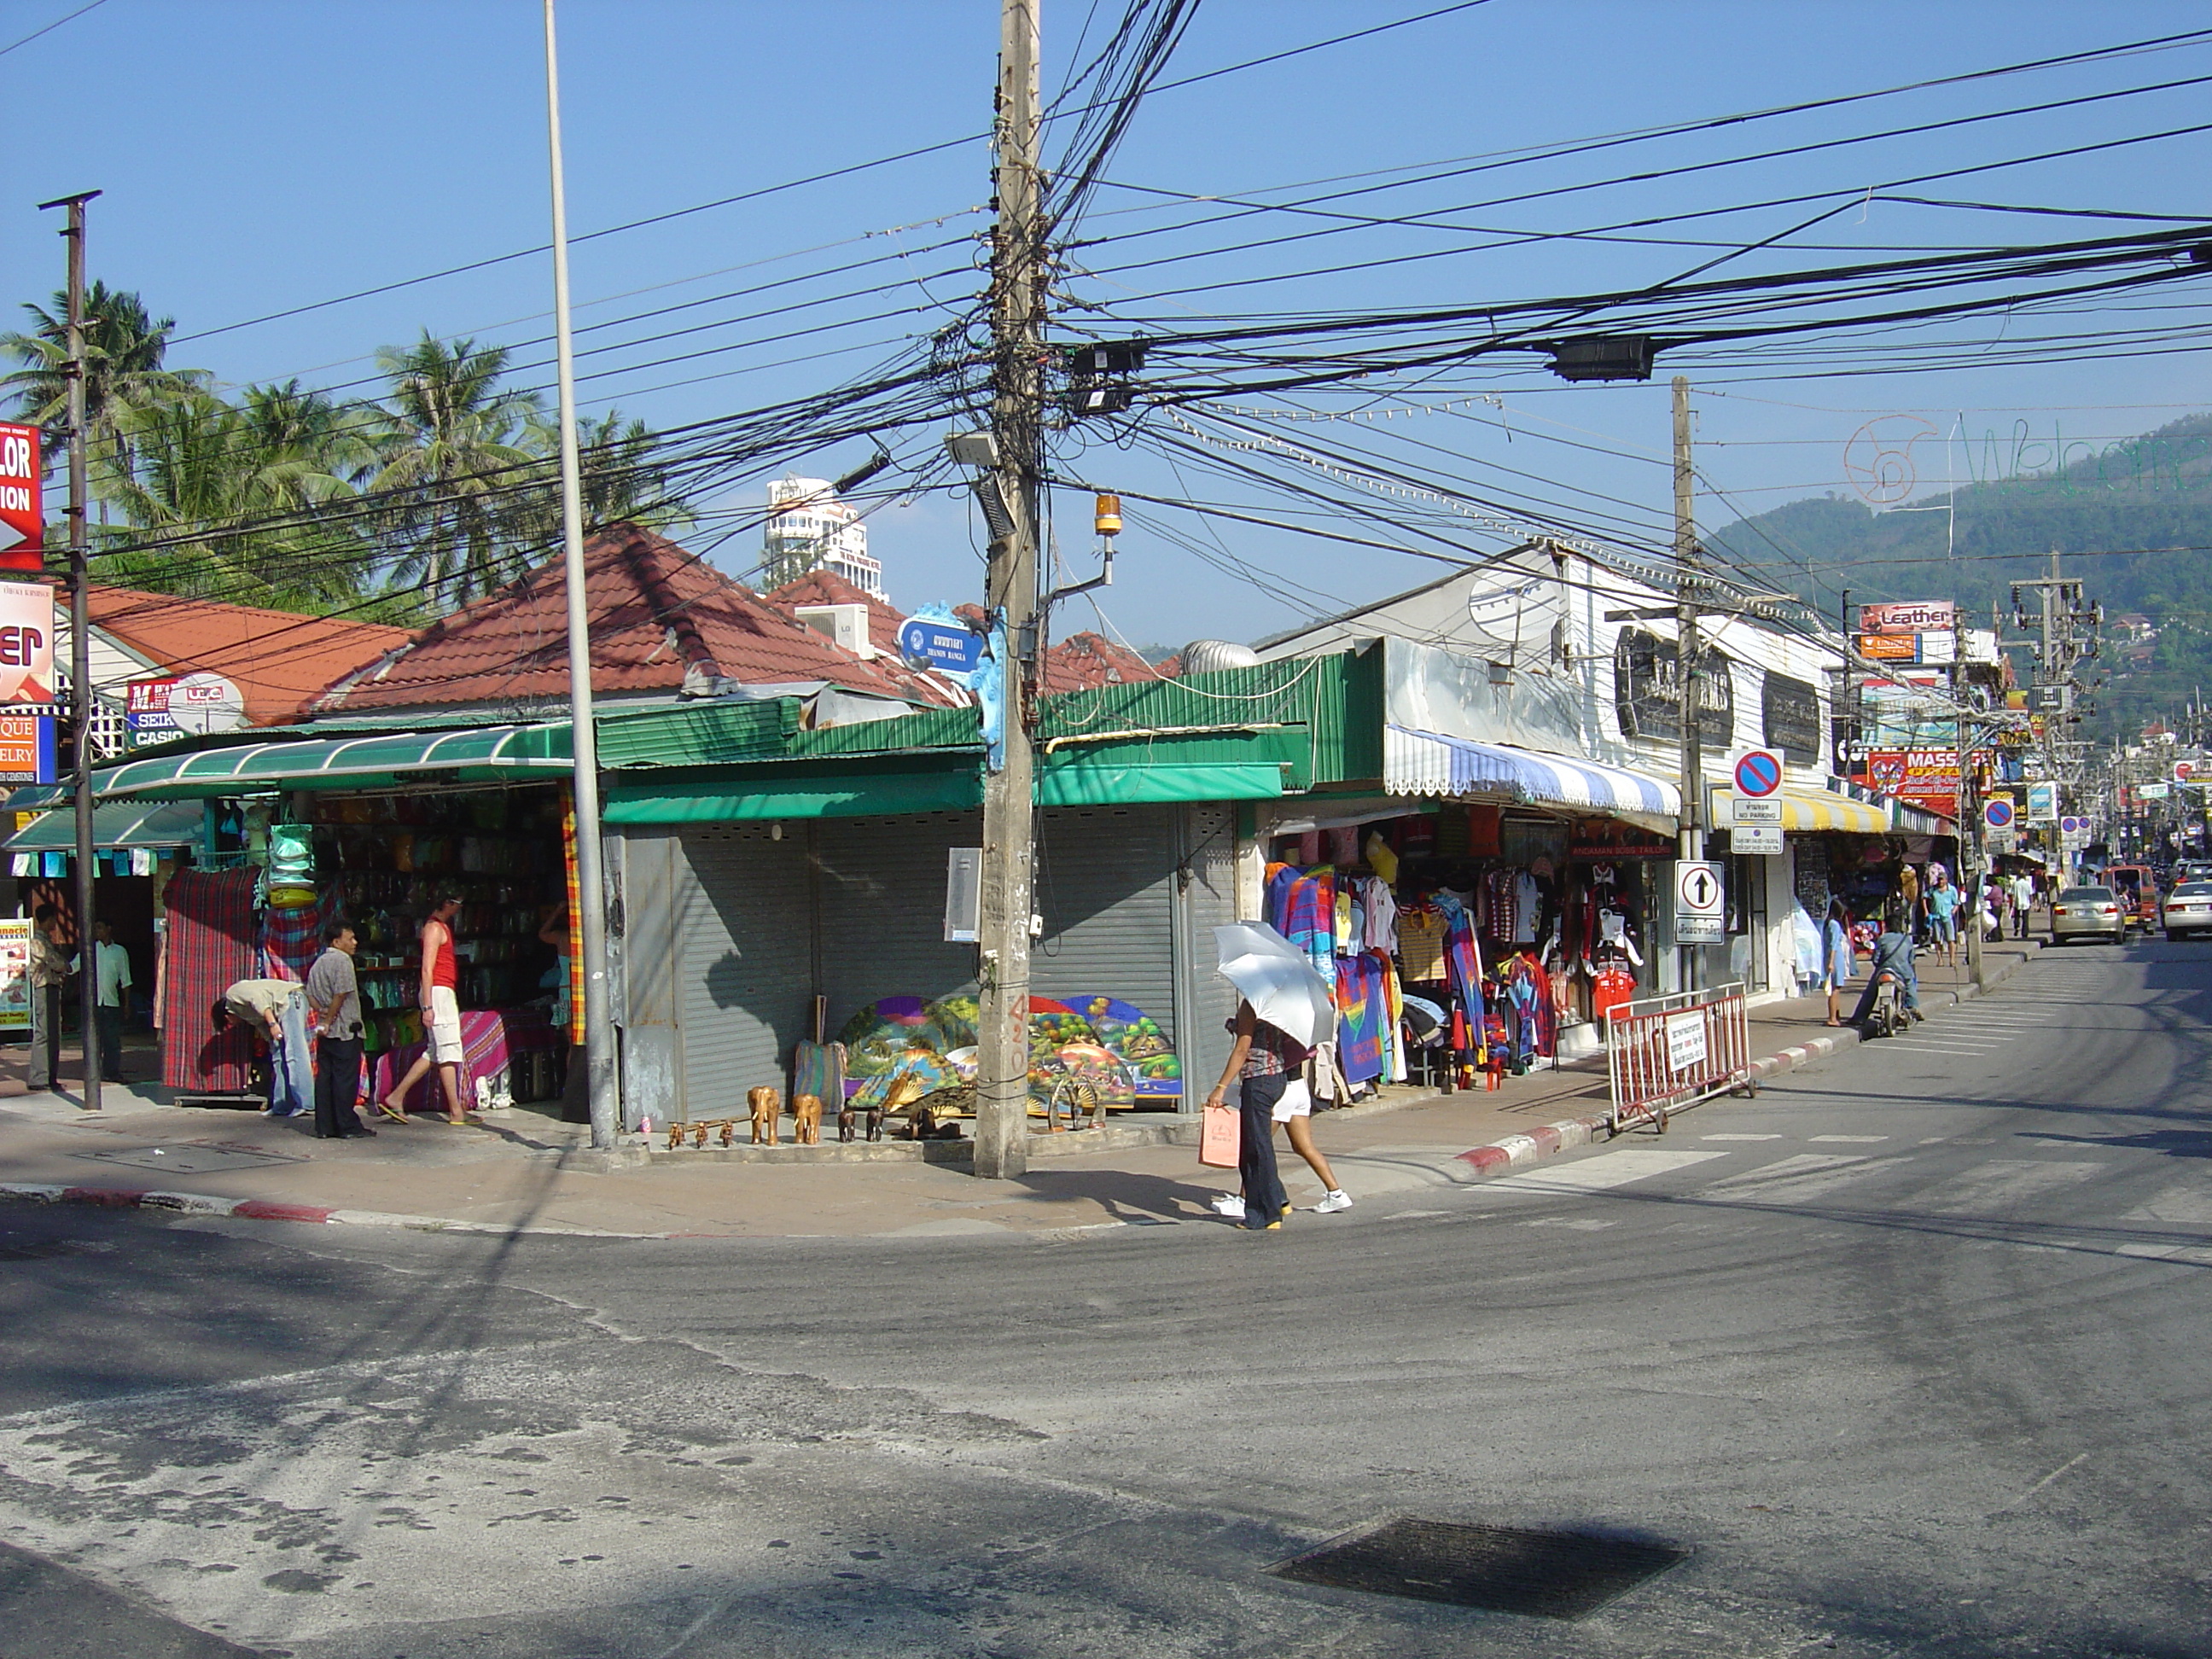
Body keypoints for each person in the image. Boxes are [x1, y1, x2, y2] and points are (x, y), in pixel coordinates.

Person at [1202, 998, 1303, 1231]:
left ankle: (1264, 1215)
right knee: (1259, 1144)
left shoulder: (1251, 1006)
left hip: (1258, 1080)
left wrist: (1220, 1087)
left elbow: (1241, 1050)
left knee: (1255, 1150)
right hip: (1277, 1077)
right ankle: (1278, 1199)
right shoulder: (1278, 1003)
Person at [377, 888, 471, 1126]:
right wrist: (428, 1006)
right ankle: (456, 1110)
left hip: (441, 990)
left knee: (436, 1050)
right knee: (447, 1050)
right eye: (457, 903)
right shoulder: (434, 928)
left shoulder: (440, 927)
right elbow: (427, 968)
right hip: (438, 991)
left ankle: (397, 1096)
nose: (459, 907)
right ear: (447, 903)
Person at [306, 920, 372, 1140]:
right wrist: (330, 1018)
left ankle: (325, 1126)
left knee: (326, 1078)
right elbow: (341, 993)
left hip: (326, 1032)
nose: (355, 943)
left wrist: (322, 1013)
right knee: (345, 1079)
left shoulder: (319, 962)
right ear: (337, 941)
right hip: (344, 1029)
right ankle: (347, 1126)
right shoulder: (342, 961)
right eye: (350, 938)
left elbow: (310, 994)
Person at [213, 976, 313, 1115]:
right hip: (279, 1009)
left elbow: (258, 999)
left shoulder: (233, 994)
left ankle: (305, 1103)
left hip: (290, 999)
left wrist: (273, 1024)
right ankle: (282, 1105)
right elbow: (260, 1024)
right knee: (278, 1057)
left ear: (226, 1016)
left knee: (295, 1052)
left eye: (229, 1024)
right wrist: (272, 1042)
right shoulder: (245, 1014)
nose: (234, 1025)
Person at [1272, 1073, 1353, 1214]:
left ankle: (1244, 1200)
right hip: (1298, 1085)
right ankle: (1336, 1193)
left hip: (1278, 1088)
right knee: (1304, 1146)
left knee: (1257, 1145)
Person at [75, 920, 131, 1081]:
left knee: (112, 1041)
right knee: (93, 1041)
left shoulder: (119, 952)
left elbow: (125, 980)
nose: (97, 931)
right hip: (93, 1004)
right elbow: (73, 966)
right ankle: (93, 1073)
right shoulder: (90, 950)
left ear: (109, 928)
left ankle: (111, 1072)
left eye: (100, 927)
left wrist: (126, 1004)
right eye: (95, 928)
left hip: (111, 1002)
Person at [25, 905, 68, 1094]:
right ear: (48, 919)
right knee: (44, 1032)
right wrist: (65, 965)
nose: (55, 923)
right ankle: (39, 1076)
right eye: (53, 919)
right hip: (43, 987)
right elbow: (53, 961)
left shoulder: (48, 941)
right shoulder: (38, 942)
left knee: (54, 1032)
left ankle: (50, 1075)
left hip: (52, 987)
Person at [1850, 919, 1923, 1027]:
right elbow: (1911, 960)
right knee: (1910, 985)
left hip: (1884, 970)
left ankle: (1859, 1017)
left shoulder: (1882, 938)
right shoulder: (1906, 939)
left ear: (1887, 927)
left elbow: (1875, 960)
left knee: (1870, 993)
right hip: (1902, 972)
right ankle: (1913, 1008)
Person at [1819, 898, 1853, 1027]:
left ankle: (1836, 1015)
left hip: (1833, 957)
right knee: (1835, 989)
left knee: (1836, 987)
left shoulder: (1828, 924)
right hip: (1835, 957)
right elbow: (1833, 944)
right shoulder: (1834, 925)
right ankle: (1832, 1017)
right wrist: (1831, 962)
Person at [1925, 867, 1959, 967]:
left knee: (1950, 939)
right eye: (1939, 879)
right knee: (1937, 940)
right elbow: (1925, 897)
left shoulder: (1951, 889)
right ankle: (1940, 959)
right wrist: (1926, 912)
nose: (1940, 881)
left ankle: (1952, 960)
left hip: (1947, 917)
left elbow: (1956, 903)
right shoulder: (1933, 889)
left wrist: (1953, 911)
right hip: (1936, 917)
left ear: (1946, 880)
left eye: (1942, 879)